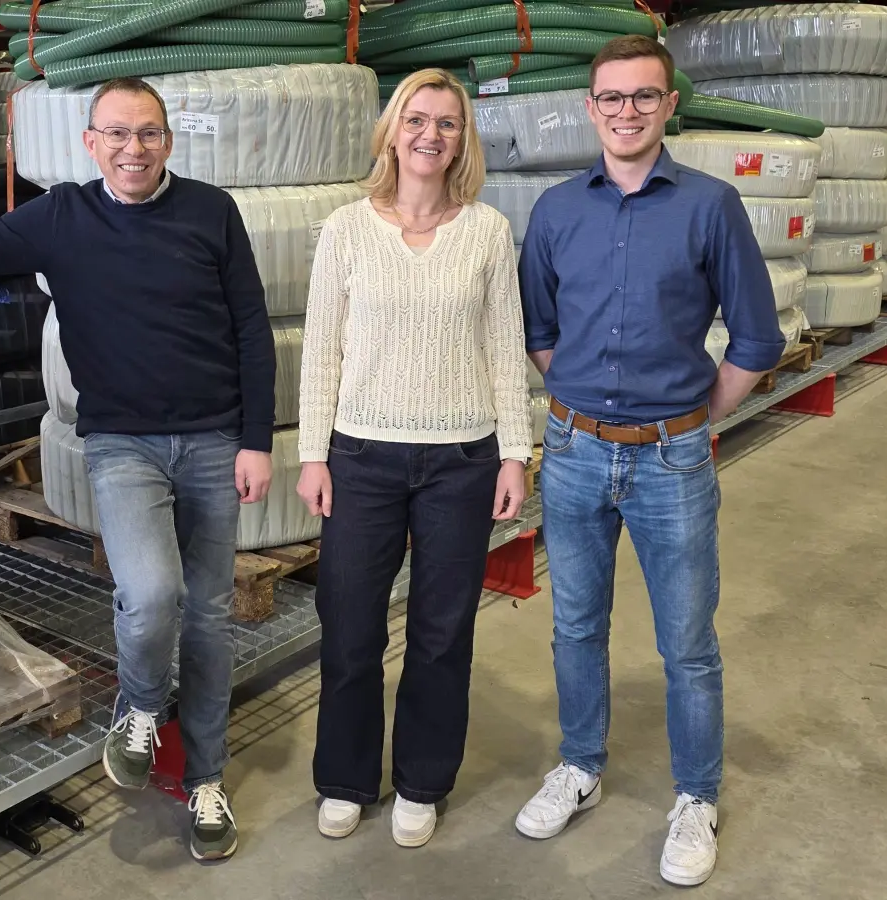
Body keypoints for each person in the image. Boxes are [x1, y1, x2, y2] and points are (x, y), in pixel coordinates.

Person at [0, 77, 275, 863]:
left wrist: (255, 439)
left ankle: (207, 785)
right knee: (153, 595)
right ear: (90, 144)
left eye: (149, 133)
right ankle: (139, 705)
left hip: (212, 440)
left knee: (210, 616)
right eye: (117, 134)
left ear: (168, 140)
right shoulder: (64, 217)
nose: (134, 149)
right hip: (123, 445)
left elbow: (251, 328)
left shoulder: (210, 212)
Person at [512, 35, 785, 886]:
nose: (626, 111)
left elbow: (757, 336)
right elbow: (540, 332)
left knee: (687, 642)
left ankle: (696, 796)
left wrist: (698, 420)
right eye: (611, 98)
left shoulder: (709, 205)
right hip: (573, 451)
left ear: (671, 105)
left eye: (643, 97)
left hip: (673, 460)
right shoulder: (557, 210)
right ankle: (580, 766)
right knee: (574, 627)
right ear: (590, 109)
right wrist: (587, 408)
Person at [296, 67, 534, 849]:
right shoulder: (346, 229)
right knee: (351, 625)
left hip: (461, 461)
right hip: (361, 456)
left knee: (442, 631)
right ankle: (345, 778)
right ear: (392, 131)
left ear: (464, 139)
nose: (431, 134)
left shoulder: (488, 232)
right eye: (417, 119)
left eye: (448, 123)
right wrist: (313, 454)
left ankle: (423, 781)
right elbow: (322, 353)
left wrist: (513, 453)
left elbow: (503, 349)